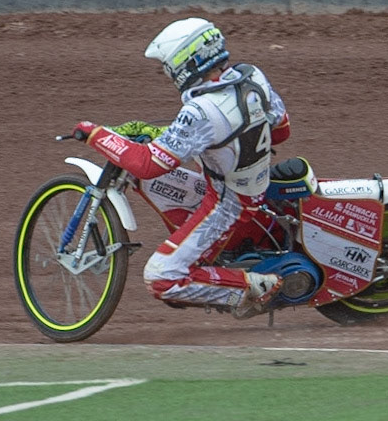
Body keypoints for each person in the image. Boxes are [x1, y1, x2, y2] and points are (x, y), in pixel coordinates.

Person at [73, 17, 294, 319]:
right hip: (249, 185)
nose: (167, 73)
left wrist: (95, 134)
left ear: (185, 63)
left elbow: (148, 164)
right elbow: (280, 129)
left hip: (228, 205)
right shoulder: (251, 76)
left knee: (161, 278)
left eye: (168, 66)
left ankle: (253, 287)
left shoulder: (200, 110)